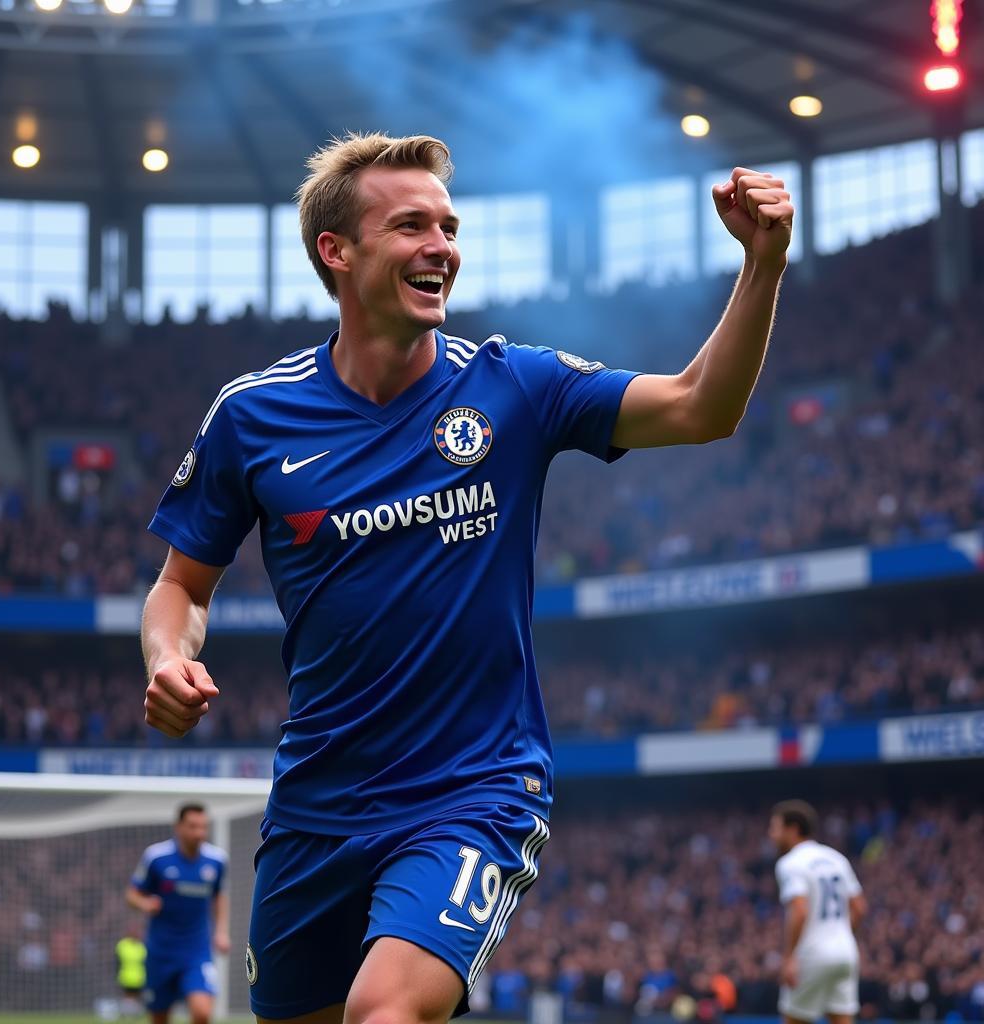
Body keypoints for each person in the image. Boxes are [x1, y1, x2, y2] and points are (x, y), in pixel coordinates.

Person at [141, 131, 792, 1024]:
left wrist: (763, 265)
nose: (441, 246)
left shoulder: (513, 386)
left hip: (471, 790)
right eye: (410, 225)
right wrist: (167, 656)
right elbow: (181, 586)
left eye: (448, 227)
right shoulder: (253, 416)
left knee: (385, 1013)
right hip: (315, 805)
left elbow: (699, 405)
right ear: (338, 252)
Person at [125, 803, 230, 1024]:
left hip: (197, 952)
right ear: (179, 827)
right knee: (159, 1018)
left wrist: (221, 932)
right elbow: (132, 894)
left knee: (202, 1012)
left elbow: (219, 896)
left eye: (203, 827)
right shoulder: (156, 857)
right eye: (193, 826)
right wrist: (145, 903)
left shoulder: (217, 861)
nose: (199, 833)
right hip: (160, 952)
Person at [769, 800, 868, 1024]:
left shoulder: (790, 863)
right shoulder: (836, 858)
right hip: (845, 953)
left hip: (811, 954)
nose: (771, 835)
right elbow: (860, 907)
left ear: (793, 829)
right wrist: (840, 935)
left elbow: (800, 911)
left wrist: (788, 958)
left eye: (775, 828)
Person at [115, 919, 148, 1017]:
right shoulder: (122, 945)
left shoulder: (142, 946)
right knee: (128, 997)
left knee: (138, 998)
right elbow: (117, 962)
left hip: (140, 977)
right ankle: (126, 1014)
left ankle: (135, 1015)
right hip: (126, 977)